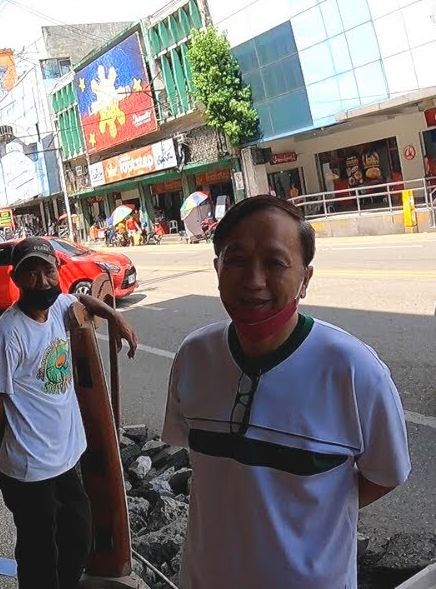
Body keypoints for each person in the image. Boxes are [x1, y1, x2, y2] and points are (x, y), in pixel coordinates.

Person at [162, 196, 410, 589]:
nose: (253, 280)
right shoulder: (194, 356)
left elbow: (387, 473)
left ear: (305, 279)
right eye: (237, 260)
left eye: (275, 263)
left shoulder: (354, 370)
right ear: (217, 268)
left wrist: (316, 511)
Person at [0, 237, 138, 589]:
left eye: (47, 270)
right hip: (30, 469)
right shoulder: (8, 333)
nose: (41, 280)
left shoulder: (60, 307)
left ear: (59, 272)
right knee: (39, 557)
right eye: (30, 273)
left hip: (66, 460)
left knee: (78, 538)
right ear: (16, 278)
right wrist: (9, 448)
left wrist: (115, 315)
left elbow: (81, 298)